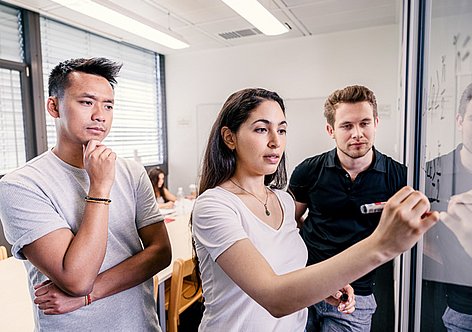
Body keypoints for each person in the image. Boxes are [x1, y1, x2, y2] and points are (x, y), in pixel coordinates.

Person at [191, 87, 438, 331]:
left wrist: (325, 286)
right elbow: (274, 297)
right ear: (229, 137)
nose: (276, 141)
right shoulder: (214, 206)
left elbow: (288, 268)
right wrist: (382, 245)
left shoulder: (283, 201)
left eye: (282, 130)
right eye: (262, 129)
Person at [0, 57, 171, 330]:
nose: (100, 115)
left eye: (108, 105)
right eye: (86, 102)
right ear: (54, 107)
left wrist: (88, 296)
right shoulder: (21, 185)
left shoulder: (132, 172)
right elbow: (77, 279)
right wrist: (100, 187)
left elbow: (160, 252)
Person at [288, 85, 407, 331]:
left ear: (375, 123)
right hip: (306, 285)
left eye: (364, 123)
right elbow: (290, 223)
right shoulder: (309, 171)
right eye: (347, 126)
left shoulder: (397, 176)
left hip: (357, 295)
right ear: (331, 130)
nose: (357, 134)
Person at [423, 77, 472, 331]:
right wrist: (455, 262)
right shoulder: (432, 174)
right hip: (462, 309)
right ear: (459, 121)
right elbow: (419, 235)